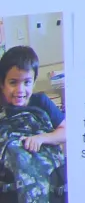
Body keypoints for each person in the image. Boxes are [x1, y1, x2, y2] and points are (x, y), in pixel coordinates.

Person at [0, 45, 64, 203]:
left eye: (27, 82)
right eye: (13, 82)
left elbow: (67, 131)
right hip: (11, 183)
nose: (20, 90)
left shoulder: (41, 102)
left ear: (34, 82)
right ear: (2, 84)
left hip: (49, 179)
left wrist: (42, 138)